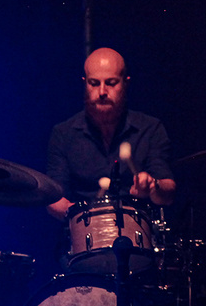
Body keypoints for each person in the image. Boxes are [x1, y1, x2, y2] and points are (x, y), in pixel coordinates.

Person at [46, 47, 176, 221]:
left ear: (125, 83)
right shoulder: (63, 134)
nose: (102, 92)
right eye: (94, 83)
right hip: (84, 237)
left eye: (111, 83)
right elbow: (54, 201)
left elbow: (167, 193)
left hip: (138, 238)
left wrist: (153, 185)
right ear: (85, 83)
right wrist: (89, 217)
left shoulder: (150, 128)